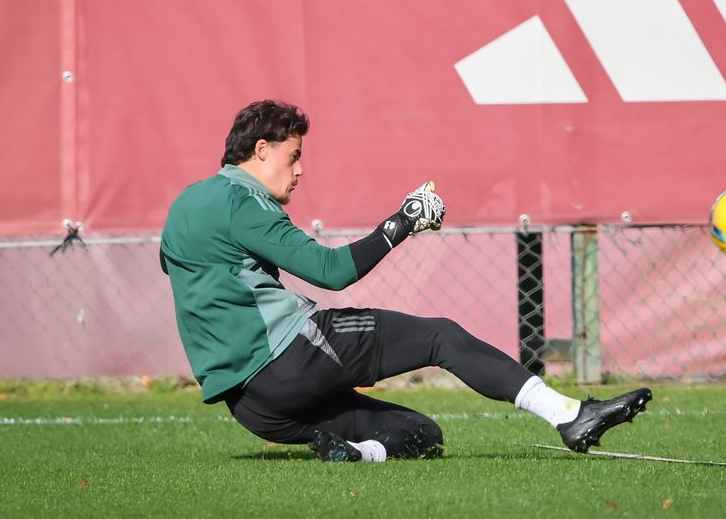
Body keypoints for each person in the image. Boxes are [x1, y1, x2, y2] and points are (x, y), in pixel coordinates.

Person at [160, 100, 651, 462]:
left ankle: (359, 455)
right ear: (261, 149)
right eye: (294, 156)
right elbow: (331, 273)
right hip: (293, 358)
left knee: (421, 432)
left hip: (252, 406)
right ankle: (569, 414)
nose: (301, 170)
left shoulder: (184, 206)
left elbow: (194, 280)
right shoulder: (243, 201)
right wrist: (404, 222)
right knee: (441, 335)